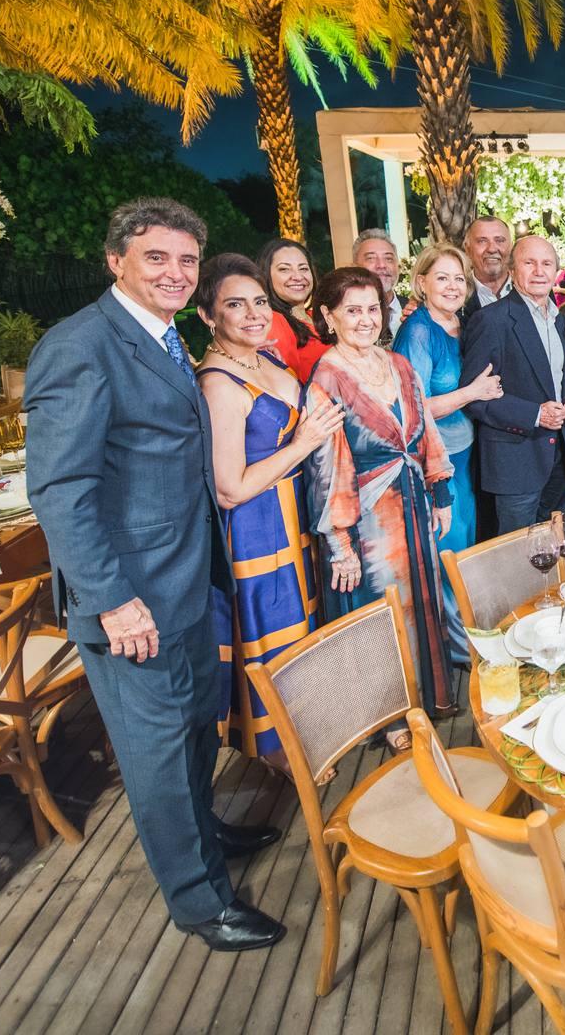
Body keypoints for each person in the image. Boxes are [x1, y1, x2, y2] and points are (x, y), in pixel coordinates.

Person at [25, 198, 285, 951]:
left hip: (187, 581)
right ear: (116, 262)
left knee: (196, 726)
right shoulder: (80, 346)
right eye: (156, 258)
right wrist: (112, 601)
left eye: (186, 260)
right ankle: (200, 902)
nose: (176, 272)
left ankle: (203, 832)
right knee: (158, 753)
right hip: (132, 600)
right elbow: (61, 490)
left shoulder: (165, 338)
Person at [194, 252, 344, 772]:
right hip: (257, 524)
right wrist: (304, 443)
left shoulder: (266, 358)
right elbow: (229, 489)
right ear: (208, 316)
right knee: (273, 632)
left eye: (259, 301)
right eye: (236, 305)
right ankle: (278, 751)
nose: (254, 313)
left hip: (293, 510)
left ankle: (304, 728)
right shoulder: (218, 384)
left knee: (303, 624)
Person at [305, 266, 458, 746]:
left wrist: (440, 491)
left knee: (422, 601)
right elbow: (328, 467)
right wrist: (340, 544)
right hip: (367, 518)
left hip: (413, 503)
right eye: (352, 310)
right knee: (382, 611)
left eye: (372, 309)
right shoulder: (326, 378)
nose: (366, 319)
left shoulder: (398, 364)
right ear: (329, 316)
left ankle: (424, 698)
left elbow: (426, 431)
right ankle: (390, 718)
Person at [392, 244, 504, 662]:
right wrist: (472, 393)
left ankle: (468, 634)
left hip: (467, 451)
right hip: (435, 462)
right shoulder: (418, 332)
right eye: (442, 278)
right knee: (448, 549)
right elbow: (411, 408)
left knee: (466, 544)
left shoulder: (462, 323)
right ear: (421, 282)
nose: (453, 286)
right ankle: (461, 655)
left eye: (459, 278)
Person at [463, 235, 565, 529]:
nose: (539, 271)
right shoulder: (491, 320)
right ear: (512, 270)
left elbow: (564, 379)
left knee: (556, 545)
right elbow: (474, 397)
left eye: (547, 264)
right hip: (516, 462)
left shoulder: (560, 320)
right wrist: (536, 414)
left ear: (556, 271)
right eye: (529, 263)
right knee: (518, 550)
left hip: (560, 459)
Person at [257, 237, 329, 381]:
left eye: (303, 268)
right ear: (266, 276)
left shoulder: (319, 315)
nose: (297, 276)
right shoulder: (274, 321)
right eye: (284, 269)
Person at [353, 228, 404, 339]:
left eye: (388, 259)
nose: (382, 265)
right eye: (371, 258)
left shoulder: (415, 311)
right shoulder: (346, 317)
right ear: (354, 267)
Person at [461, 215, 513, 316]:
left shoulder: (529, 288)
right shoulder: (455, 293)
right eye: (482, 241)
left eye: (499, 240)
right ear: (467, 249)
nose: (492, 249)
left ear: (511, 247)